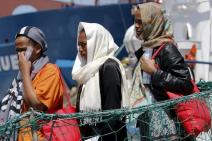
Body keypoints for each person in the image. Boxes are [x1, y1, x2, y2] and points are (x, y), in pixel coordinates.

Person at [133, 2, 194, 141]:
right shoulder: (145, 48)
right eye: (135, 21)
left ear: (153, 23)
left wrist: (155, 72)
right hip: (149, 120)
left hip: (167, 123)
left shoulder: (167, 49)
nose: (136, 26)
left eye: (141, 22)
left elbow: (186, 83)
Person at [0, 26, 65, 141]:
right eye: (17, 51)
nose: (19, 55)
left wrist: (24, 72)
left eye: (23, 50)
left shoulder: (50, 71)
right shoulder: (21, 77)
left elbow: (37, 104)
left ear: (37, 49)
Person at [72, 22, 130, 141]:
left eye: (84, 45)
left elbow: (113, 115)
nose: (80, 50)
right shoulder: (87, 70)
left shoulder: (109, 67)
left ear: (96, 43)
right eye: (79, 45)